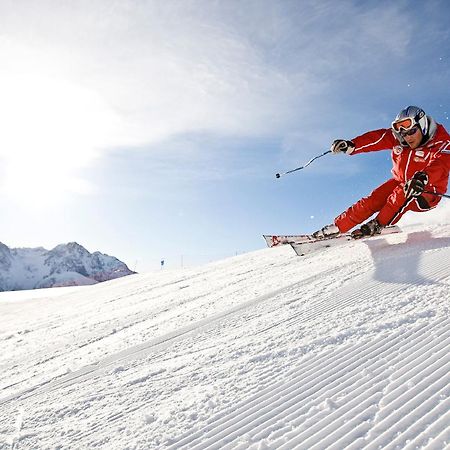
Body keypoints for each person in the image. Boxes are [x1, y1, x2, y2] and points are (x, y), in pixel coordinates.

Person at [313, 105, 450, 239]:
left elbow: (442, 164)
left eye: (411, 132)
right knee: (373, 199)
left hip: (426, 190)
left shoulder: (442, 142)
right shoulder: (399, 139)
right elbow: (377, 138)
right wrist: (352, 145)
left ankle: (378, 225)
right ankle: (338, 227)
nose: (408, 138)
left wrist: (423, 177)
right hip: (400, 182)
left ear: (423, 126)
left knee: (403, 192)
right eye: (403, 134)